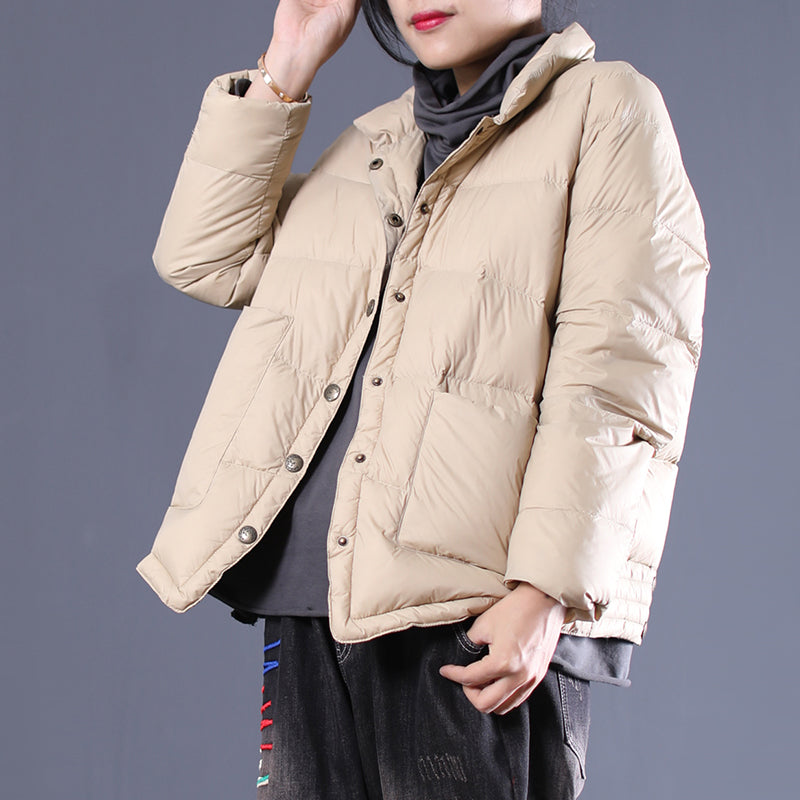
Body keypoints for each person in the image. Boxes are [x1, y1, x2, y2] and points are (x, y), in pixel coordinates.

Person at [137, 1, 709, 797]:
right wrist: (288, 61)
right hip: (310, 602)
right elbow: (206, 258)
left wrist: (547, 591)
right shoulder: (373, 143)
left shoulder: (604, 108)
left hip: (473, 617)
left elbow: (619, 369)